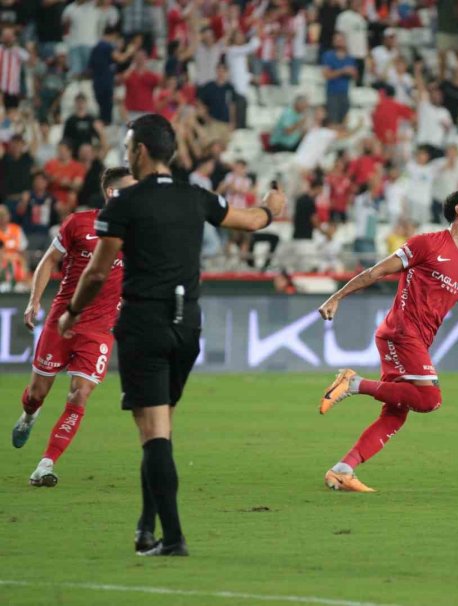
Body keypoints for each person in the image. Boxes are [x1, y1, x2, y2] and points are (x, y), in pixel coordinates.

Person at [56, 114, 286, 555]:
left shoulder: (124, 203)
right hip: (188, 326)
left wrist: (71, 312)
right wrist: (272, 207)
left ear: (140, 151)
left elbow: (97, 272)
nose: (127, 154)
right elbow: (253, 221)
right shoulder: (196, 196)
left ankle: (173, 537)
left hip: (145, 324)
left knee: (153, 434)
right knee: (159, 428)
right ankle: (145, 527)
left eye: (128, 147)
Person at [316, 188, 458, 492]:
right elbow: (377, 271)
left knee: (395, 414)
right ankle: (353, 383)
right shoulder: (427, 244)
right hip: (401, 331)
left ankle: (342, 470)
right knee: (430, 399)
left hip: (414, 339)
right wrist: (337, 296)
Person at [12, 167, 135, 487]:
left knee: (79, 394)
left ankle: (45, 464)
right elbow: (49, 261)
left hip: (99, 330)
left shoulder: (141, 231)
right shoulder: (78, 223)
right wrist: (34, 302)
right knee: (36, 394)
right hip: (62, 322)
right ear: (112, 193)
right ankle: (28, 415)